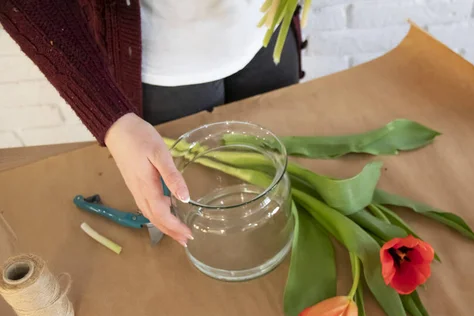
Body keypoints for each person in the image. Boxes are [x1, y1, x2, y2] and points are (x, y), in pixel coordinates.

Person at [0, 1, 305, 247]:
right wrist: (111, 118)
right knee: (190, 204)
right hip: (161, 59)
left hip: (267, 28)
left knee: (278, 179)